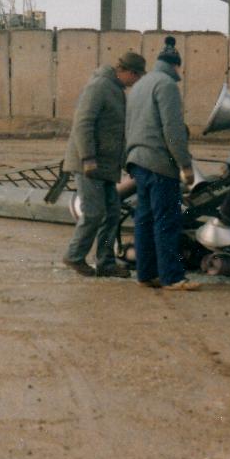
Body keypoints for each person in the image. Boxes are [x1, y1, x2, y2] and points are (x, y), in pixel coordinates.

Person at [62, 50, 146, 277]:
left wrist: (126, 163)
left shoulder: (117, 90)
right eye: (137, 77)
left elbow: (115, 132)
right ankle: (74, 257)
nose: (136, 82)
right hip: (89, 164)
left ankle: (106, 263)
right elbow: (83, 123)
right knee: (94, 213)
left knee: (112, 213)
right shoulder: (99, 86)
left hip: (106, 166)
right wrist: (88, 158)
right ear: (128, 72)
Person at [125, 37, 199, 291]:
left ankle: (146, 274)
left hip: (138, 161)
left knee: (144, 220)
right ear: (176, 66)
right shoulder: (167, 85)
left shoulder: (140, 85)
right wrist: (185, 165)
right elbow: (173, 130)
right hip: (159, 163)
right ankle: (172, 277)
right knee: (167, 220)